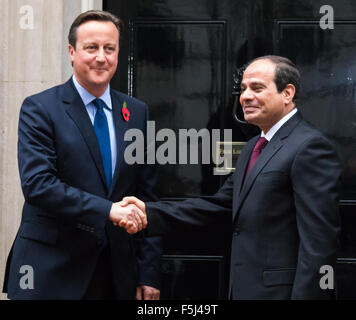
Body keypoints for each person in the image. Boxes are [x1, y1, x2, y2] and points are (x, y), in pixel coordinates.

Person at [120, 55, 342, 299]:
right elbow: (219, 205)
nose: (245, 96)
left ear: (287, 93)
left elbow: (319, 245)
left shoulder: (310, 147)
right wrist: (147, 213)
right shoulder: (253, 147)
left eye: (257, 88)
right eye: (243, 89)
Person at [3, 10, 161, 300]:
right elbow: (39, 185)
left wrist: (148, 271)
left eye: (109, 48)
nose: (101, 57)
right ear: (72, 52)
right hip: (52, 272)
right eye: (91, 48)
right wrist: (108, 210)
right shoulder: (40, 109)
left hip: (116, 274)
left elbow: (147, 196)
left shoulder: (137, 112)